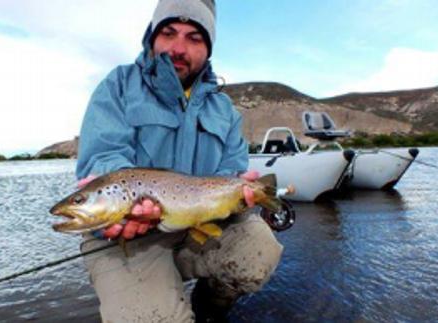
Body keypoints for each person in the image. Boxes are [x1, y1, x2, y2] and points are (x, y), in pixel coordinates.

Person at [76, 0, 283, 321]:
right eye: (169, 33)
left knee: (258, 249)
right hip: (125, 240)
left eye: (194, 38)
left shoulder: (225, 111)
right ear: (152, 37)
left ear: (209, 48)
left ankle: (210, 308)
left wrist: (242, 196)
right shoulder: (118, 86)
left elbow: (230, 171)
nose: (178, 47)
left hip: (197, 228)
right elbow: (105, 156)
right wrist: (113, 205)